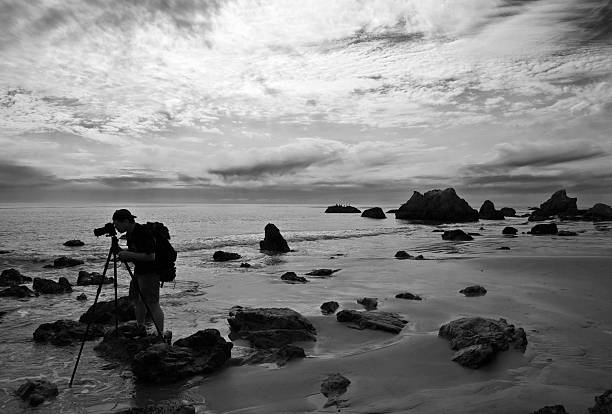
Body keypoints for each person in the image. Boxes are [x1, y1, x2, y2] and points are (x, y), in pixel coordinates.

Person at [112, 209, 165, 335]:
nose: (116, 227)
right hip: (139, 271)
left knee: (152, 303)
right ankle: (140, 327)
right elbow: (136, 253)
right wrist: (119, 250)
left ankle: (160, 335)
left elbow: (151, 256)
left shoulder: (142, 233)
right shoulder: (130, 233)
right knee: (138, 300)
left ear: (125, 221)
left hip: (151, 272)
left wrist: (128, 254)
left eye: (116, 224)